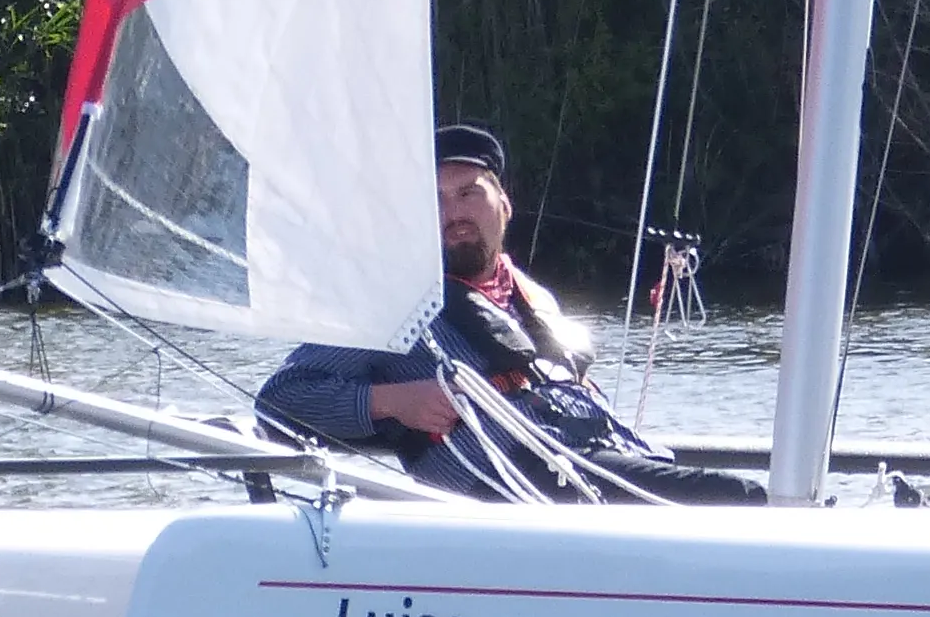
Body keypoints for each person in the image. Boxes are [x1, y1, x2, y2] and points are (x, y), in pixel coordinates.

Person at [257, 125, 762, 504]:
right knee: (741, 498)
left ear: (504, 205)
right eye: (435, 200)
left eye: (468, 193)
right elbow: (278, 401)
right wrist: (393, 401)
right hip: (511, 485)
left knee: (750, 499)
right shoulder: (390, 303)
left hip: (592, 464)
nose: (453, 212)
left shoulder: (534, 298)